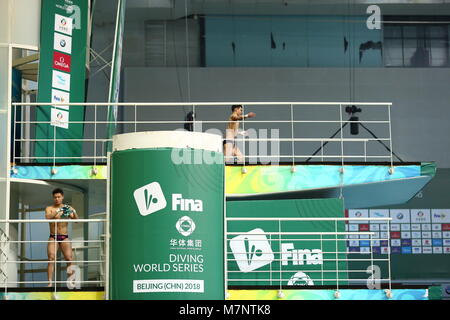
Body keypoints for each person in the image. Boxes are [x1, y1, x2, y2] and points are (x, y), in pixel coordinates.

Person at [45, 188, 78, 287]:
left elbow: (76, 220)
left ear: (62, 197)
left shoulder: (67, 208)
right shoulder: (49, 208)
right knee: (51, 258)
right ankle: (50, 282)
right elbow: (47, 217)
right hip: (53, 236)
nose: (57, 199)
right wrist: (58, 211)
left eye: (59, 197)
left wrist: (74, 211)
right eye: (55, 197)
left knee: (69, 258)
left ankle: (71, 281)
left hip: (64, 237)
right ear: (53, 198)